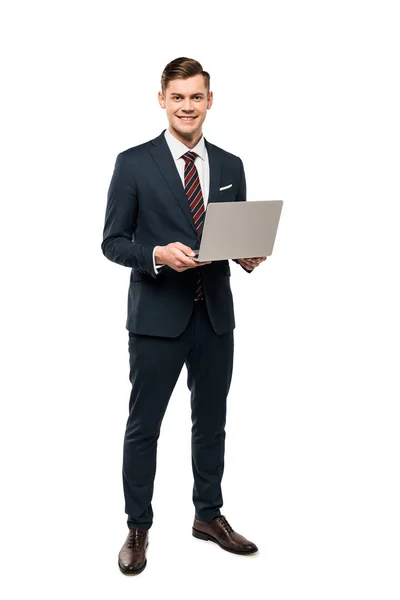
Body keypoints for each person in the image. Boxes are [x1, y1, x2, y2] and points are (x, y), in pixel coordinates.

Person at [101, 57, 267, 576]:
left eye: (196, 97)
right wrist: (155, 254)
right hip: (156, 318)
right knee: (143, 426)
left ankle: (208, 516)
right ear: (162, 100)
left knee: (211, 423)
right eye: (178, 97)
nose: (187, 107)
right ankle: (137, 526)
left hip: (215, 316)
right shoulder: (133, 163)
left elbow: (231, 234)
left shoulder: (232, 165)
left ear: (210, 101)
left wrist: (246, 254)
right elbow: (112, 242)